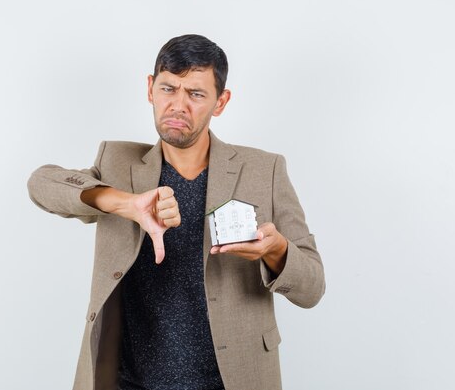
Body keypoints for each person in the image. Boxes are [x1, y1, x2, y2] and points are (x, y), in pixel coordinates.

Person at [27, 34, 325, 390]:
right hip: (128, 382)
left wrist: (275, 251)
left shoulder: (264, 170)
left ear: (221, 102)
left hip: (232, 380)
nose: (178, 105)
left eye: (196, 94)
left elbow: (313, 287)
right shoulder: (118, 162)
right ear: (151, 89)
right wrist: (125, 203)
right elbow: (41, 184)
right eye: (169, 89)